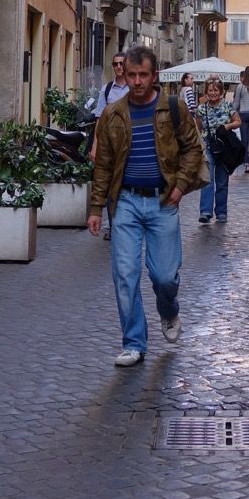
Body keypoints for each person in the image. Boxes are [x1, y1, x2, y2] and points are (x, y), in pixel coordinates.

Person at [88, 45, 204, 367]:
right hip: (124, 201)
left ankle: (168, 309)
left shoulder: (173, 107)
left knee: (164, 276)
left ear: (154, 76)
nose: (137, 81)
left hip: (163, 201)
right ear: (125, 73)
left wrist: (180, 187)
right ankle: (134, 342)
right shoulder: (112, 114)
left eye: (143, 75)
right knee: (125, 273)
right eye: (132, 74)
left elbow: (194, 149)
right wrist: (97, 209)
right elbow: (104, 165)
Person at [90, 51, 130, 240]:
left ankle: (125, 225)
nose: (119, 67)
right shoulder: (106, 90)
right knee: (111, 186)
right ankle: (114, 226)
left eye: (122, 63)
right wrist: (95, 146)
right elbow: (99, 120)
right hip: (109, 146)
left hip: (130, 145)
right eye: (115, 64)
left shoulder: (134, 89)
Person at [195, 76, 241, 224]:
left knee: (222, 180)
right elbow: (198, 128)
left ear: (220, 91)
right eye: (210, 90)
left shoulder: (228, 106)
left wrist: (227, 126)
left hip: (223, 147)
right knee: (207, 179)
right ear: (206, 92)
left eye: (215, 90)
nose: (213, 93)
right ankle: (205, 211)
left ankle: (221, 212)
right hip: (208, 146)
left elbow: (238, 122)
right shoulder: (202, 109)